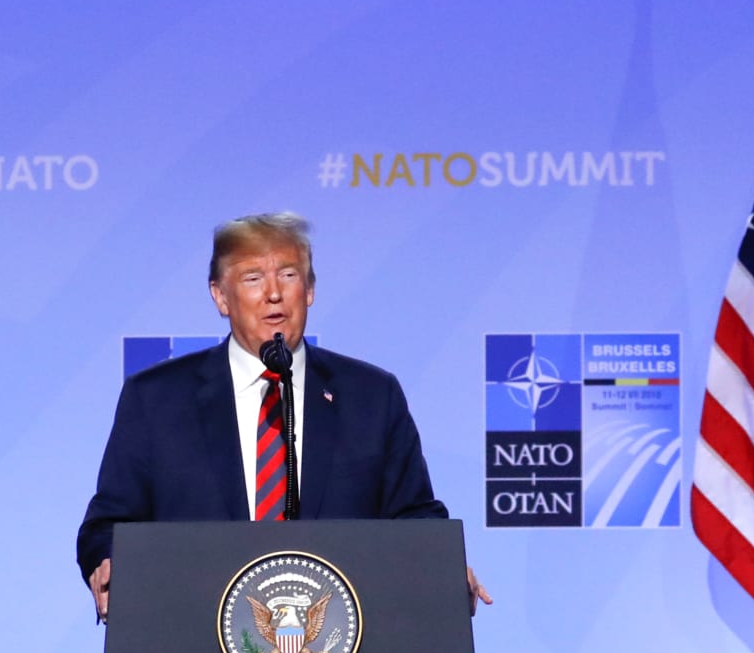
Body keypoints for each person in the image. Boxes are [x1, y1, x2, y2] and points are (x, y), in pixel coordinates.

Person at [75, 213, 489, 618]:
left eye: (289, 275)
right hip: (191, 646)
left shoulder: (371, 396)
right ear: (220, 296)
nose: (273, 293)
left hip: (341, 651)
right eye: (253, 278)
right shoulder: (157, 400)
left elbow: (414, 517)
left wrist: (441, 567)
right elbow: (108, 524)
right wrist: (109, 561)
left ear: (309, 289)